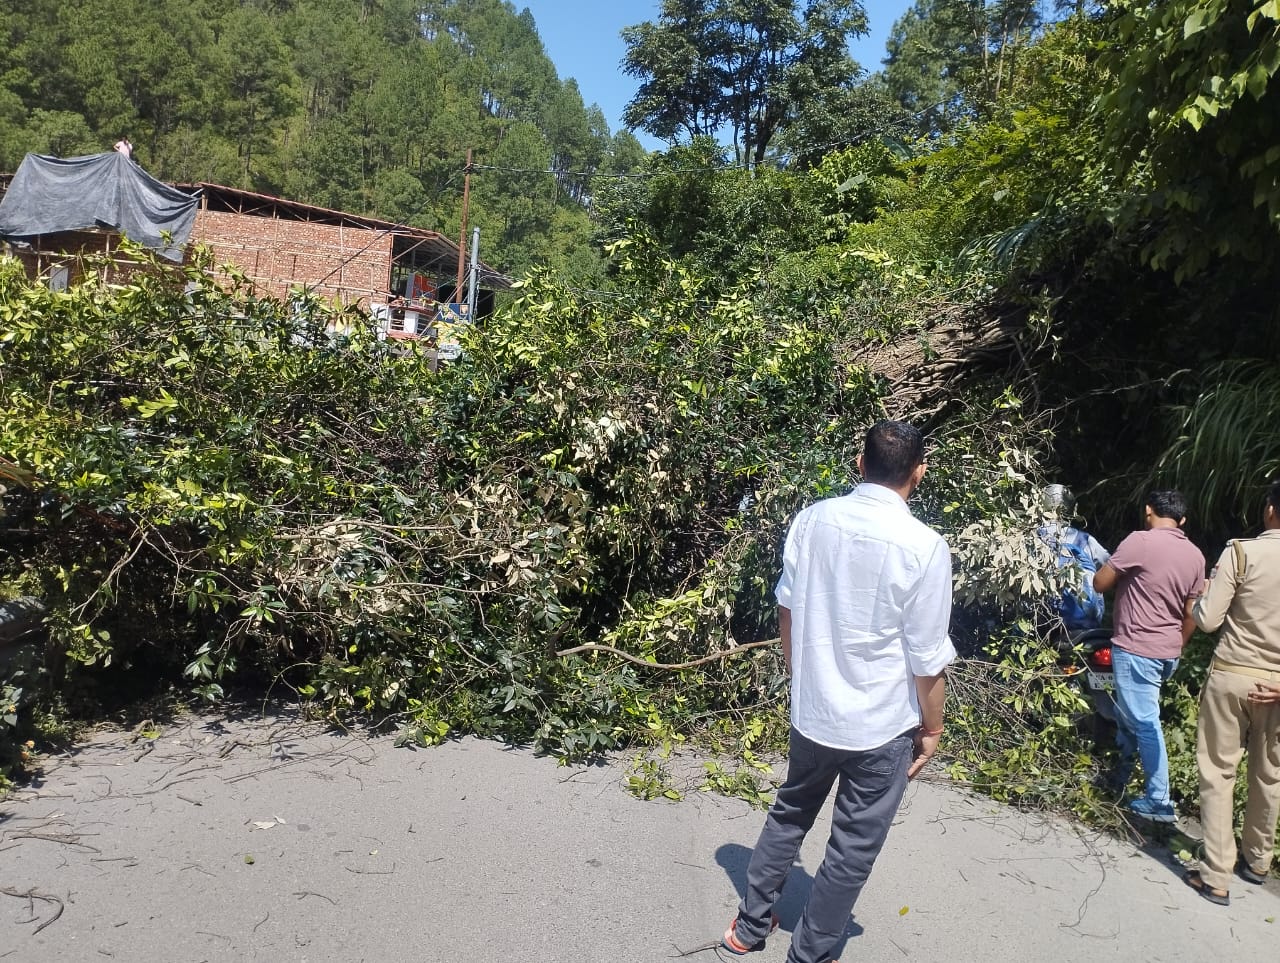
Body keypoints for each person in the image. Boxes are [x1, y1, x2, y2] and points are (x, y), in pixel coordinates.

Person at [721, 420, 956, 963]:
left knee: (790, 812)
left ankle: (749, 927)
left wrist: (800, 674)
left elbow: (787, 607)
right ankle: (809, 955)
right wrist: (933, 727)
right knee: (852, 850)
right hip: (882, 726)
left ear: (860, 463)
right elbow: (927, 657)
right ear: (919, 474)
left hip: (814, 710)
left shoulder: (813, 520)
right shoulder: (925, 547)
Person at [1183, 480, 1280, 905]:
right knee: (1270, 773)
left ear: (1270, 509)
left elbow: (1207, 620)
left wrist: (1196, 603)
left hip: (1233, 674)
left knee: (1219, 772)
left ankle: (1216, 875)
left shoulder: (1241, 553)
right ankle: (1257, 861)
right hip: (1277, 687)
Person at [1093, 490, 1206, 822]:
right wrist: (1178, 644)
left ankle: (1159, 800)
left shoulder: (1139, 542)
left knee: (1145, 722)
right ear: (1182, 520)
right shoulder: (1195, 555)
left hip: (1136, 649)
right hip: (1167, 652)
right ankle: (1120, 777)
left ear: (1148, 511)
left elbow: (1100, 583)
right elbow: (1192, 612)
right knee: (1131, 716)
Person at [1036, 484, 1110, 633]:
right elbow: (1109, 565)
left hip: (1041, 621)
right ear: (1071, 510)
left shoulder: (1031, 539)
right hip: (1084, 623)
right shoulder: (1085, 540)